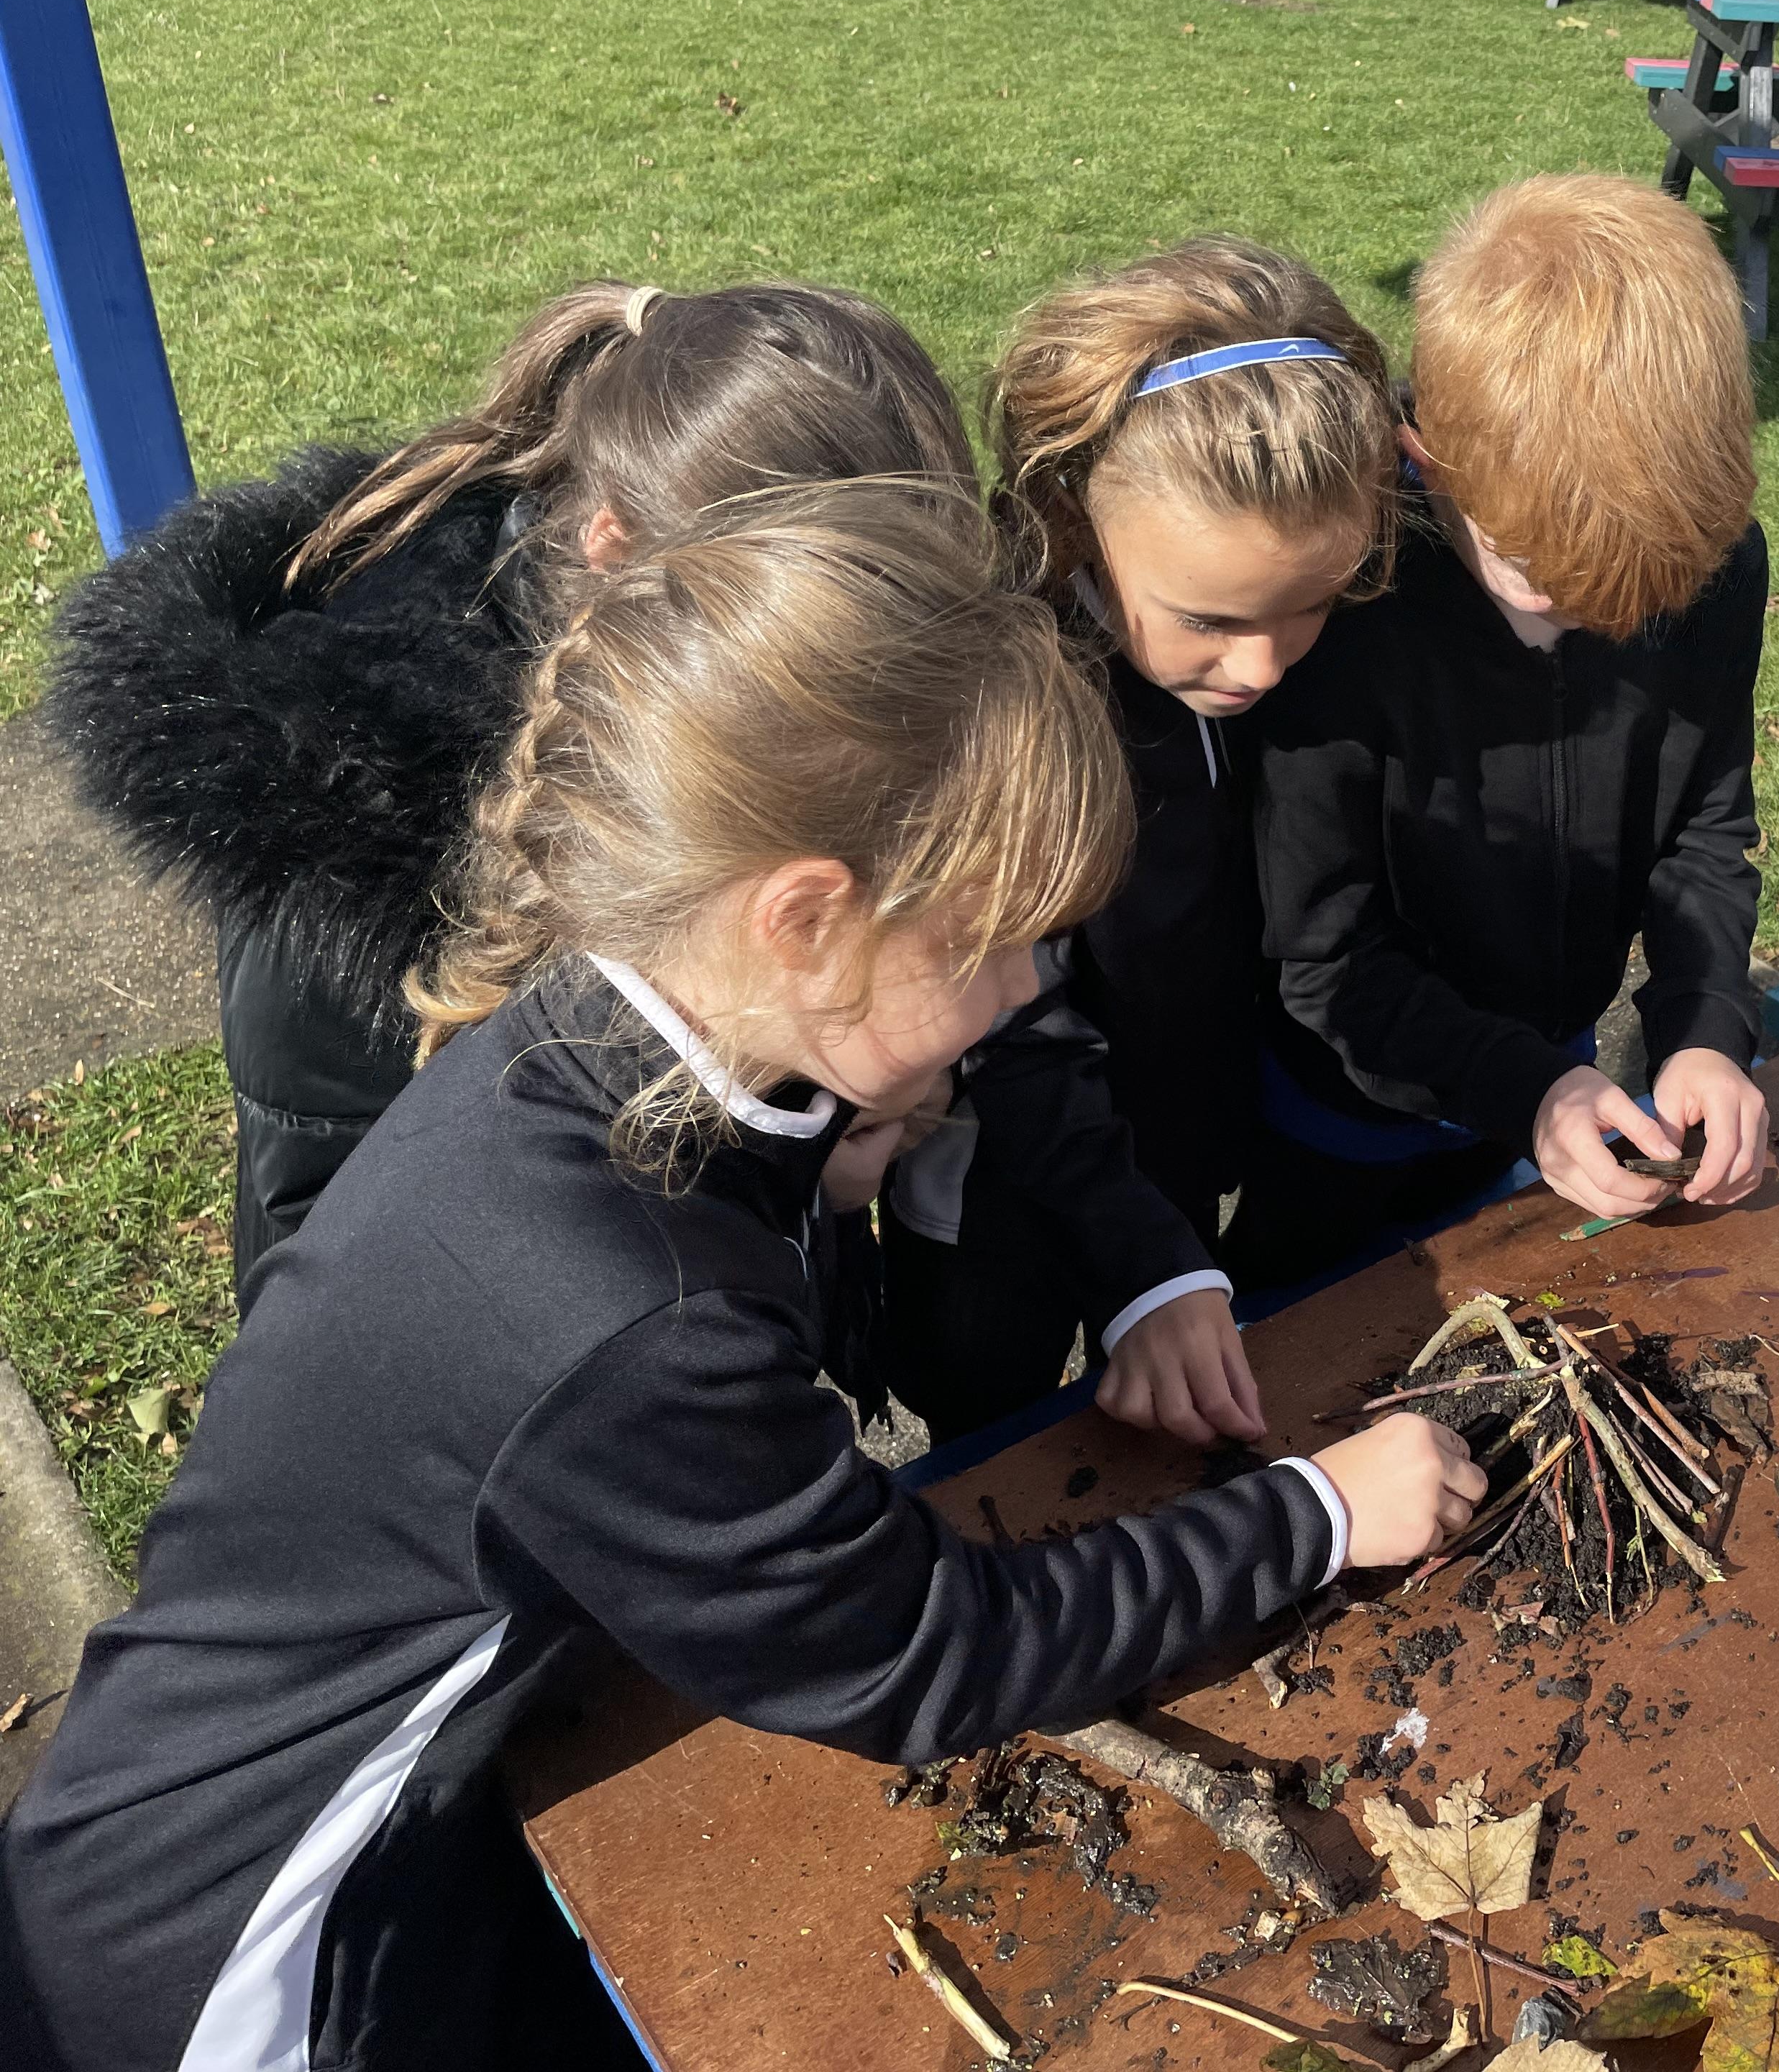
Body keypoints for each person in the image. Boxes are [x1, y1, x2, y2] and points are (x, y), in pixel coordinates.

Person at [0, 490, 1483, 2072]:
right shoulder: (634, 1310)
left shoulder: (594, 1039)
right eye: (1000, 942)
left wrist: (819, 1173)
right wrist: (1316, 1511)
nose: (1028, 987)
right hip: (266, 1971)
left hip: (337, 1802)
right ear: (804, 919)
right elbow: (925, 1653)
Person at [43, 279, 978, 1314]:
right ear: (616, 549)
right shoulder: (350, 826)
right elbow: (360, 1276)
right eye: (838, 634)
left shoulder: (730, 701)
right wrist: (796, 1176)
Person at [878, 237, 1399, 1446]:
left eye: (1313, 604)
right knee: (988, 1429)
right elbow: (1011, 1028)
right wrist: (1147, 1266)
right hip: (993, 1189)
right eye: (1209, 620)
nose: (1261, 665)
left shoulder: (1286, 663)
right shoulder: (1005, 714)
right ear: (1071, 513)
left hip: (1180, 1150)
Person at [1230, 173, 1772, 1290]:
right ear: (1426, 455)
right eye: (1535, 573)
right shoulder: (1344, 604)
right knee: (1309, 1332)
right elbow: (1325, 952)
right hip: (1343, 1108)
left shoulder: (1706, 564)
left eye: (1631, 598)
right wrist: (1528, 1090)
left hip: (1552, 1078)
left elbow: (1705, 832)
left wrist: (1707, 1028)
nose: (1579, 610)